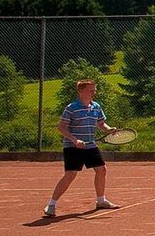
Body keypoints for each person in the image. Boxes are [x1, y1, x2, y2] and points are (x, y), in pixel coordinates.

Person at [45, 80, 121, 217]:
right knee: (70, 175)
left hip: (90, 145)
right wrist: (74, 140)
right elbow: (61, 127)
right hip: (72, 147)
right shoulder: (72, 107)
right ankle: (51, 205)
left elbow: (101, 123)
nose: (94, 93)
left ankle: (101, 201)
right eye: (91, 90)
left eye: (95, 90)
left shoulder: (96, 106)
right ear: (81, 91)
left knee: (101, 170)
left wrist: (109, 129)